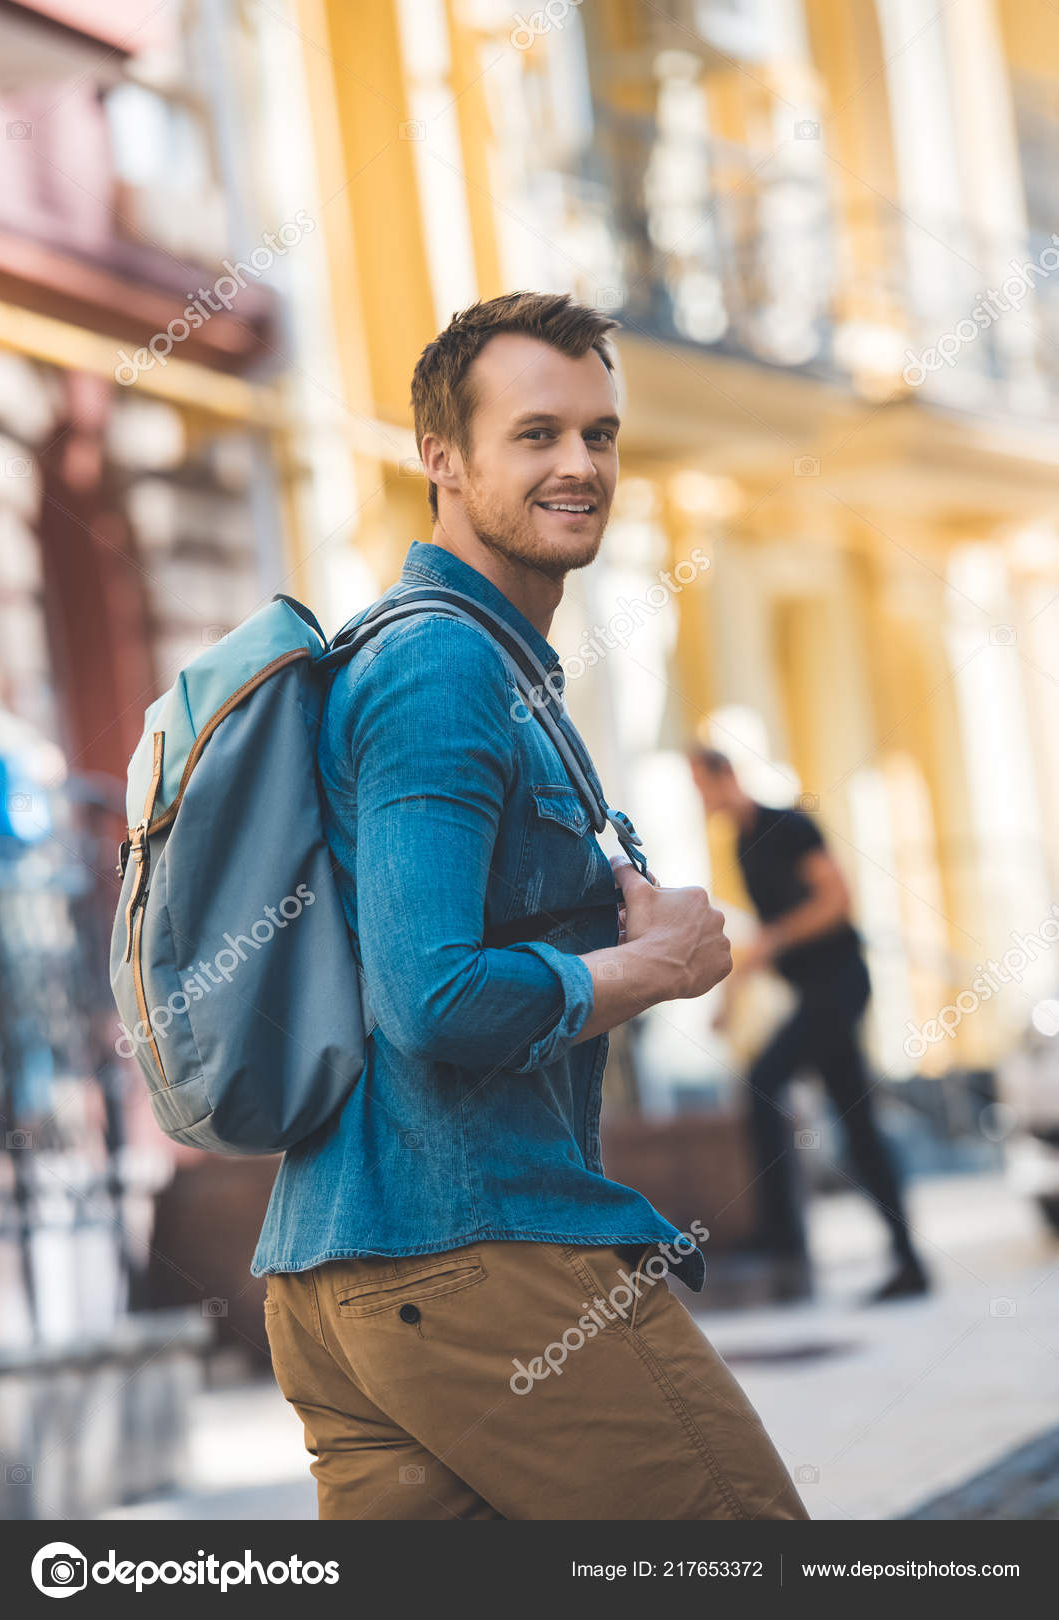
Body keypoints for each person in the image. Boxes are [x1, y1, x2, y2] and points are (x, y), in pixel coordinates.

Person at [253, 291, 809, 1522]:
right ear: (439, 457)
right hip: (475, 1255)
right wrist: (653, 967)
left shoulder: (486, 665)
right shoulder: (442, 667)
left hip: (353, 1273)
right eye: (538, 433)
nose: (581, 465)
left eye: (600, 435)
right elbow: (430, 992)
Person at [688, 747, 931, 1306]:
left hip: (839, 985)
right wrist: (731, 997)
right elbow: (763, 939)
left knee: (763, 1081)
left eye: (701, 784)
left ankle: (782, 1240)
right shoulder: (742, 846)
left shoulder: (789, 825)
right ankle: (909, 1262)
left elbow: (836, 901)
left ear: (726, 776)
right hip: (813, 993)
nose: (699, 799)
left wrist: (775, 940)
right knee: (858, 1123)